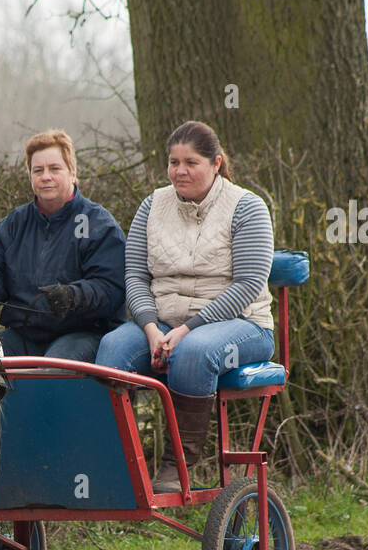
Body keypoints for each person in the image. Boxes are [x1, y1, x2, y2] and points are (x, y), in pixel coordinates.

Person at [96, 121, 275, 493]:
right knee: (112, 348)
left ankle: (176, 467)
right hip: (161, 323)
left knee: (192, 353)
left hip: (242, 324)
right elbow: (135, 276)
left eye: (191, 162)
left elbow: (247, 285)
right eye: (173, 162)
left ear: (216, 163)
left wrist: (186, 330)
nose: (180, 171)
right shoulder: (151, 206)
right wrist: (150, 329)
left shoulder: (247, 207)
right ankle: (122, 465)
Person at [0, 129, 126, 362]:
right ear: (30, 176)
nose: (45, 176)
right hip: (23, 335)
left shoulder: (98, 225)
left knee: (53, 366)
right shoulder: (13, 225)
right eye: (37, 170)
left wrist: (73, 296)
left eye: (55, 169)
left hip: (85, 335)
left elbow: (112, 288)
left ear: (73, 173)